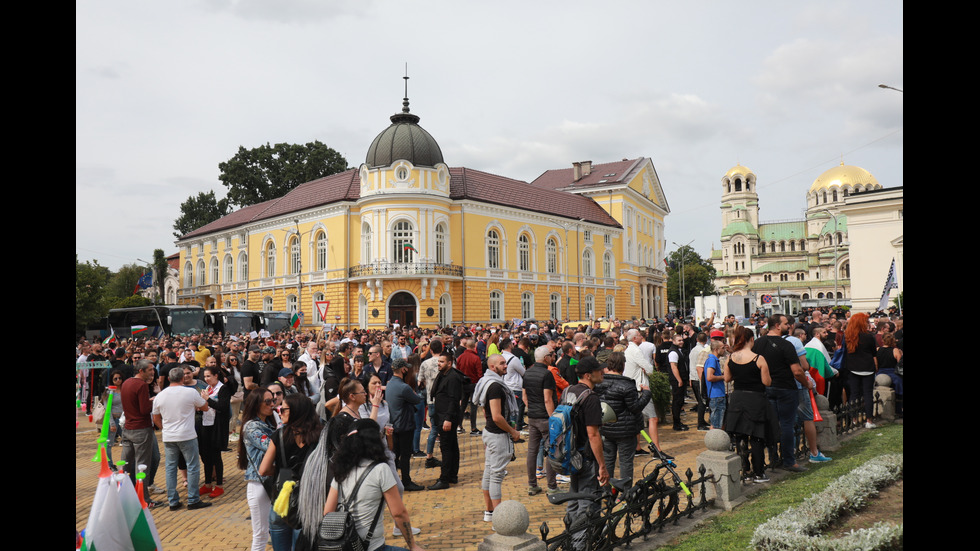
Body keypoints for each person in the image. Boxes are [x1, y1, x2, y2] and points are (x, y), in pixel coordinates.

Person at [324, 418, 425, 551]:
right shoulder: (381, 469)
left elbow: (327, 513)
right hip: (372, 546)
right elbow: (399, 513)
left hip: (344, 546)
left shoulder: (342, 470)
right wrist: (412, 545)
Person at [260, 393, 324, 550]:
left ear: (296, 411)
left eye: (283, 409)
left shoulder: (279, 435)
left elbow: (264, 469)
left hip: (282, 499)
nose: (279, 412)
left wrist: (283, 471)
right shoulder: (320, 436)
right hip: (308, 501)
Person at [564, 356, 609, 550]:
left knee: (573, 499)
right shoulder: (590, 398)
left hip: (569, 455)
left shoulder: (568, 391)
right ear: (588, 375)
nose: (603, 372)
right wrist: (602, 465)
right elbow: (593, 435)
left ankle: (570, 540)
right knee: (588, 503)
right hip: (585, 457)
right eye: (599, 370)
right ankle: (582, 545)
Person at [753, 315, 809, 472]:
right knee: (786, 425)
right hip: (785, 388)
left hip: (766, 387)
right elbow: (797, 371)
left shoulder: (758, 344)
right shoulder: (786, 344)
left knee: (772, 424)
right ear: (777, 326)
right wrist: (807, 384)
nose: (789, 326)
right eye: (786, 324)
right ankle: (789, 461)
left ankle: (773, 458)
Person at [152, 367, 211, 511]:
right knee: (192, 467)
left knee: (170, 468)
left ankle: (173, 501)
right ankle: (193, 499)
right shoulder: (190, 392)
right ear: (182, 378)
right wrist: (204, 400)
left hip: (169, 436)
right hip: (187, 435)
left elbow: (155, 417)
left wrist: (164, 429)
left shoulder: (161, 395)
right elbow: (205, 407)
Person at [724, 326, 776, 483]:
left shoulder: (730, 358)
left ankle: (744, 469)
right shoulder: (758, 358)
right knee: (757, 436)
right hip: (755, 399)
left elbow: (727, 378)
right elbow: (766, 382)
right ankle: (758, 472)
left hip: (738, 398)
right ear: (751, 339)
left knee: (740, 436)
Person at [473, 353, 522, 522]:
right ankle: (499, 519)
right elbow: (496, 416)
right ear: (493, 367)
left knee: (489, 472)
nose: (506, 366)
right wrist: (513, 431)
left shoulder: (488, 382)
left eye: (505, 363)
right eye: (502, 364)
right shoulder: (495, 386)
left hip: (490, 433)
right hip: (497, 435)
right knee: (496, 475)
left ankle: (489, 512)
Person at [595, 351, 649, 487]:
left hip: (606, 427)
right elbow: (635, 407)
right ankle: (625, 493)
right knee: (625, 462)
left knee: (608, 461)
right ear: (623, 366)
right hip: (625, 430)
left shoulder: (599, 383)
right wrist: (646, 394)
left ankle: (606, 492)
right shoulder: (626, 385)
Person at [238, 388, 277, 551]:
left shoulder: (268, 422)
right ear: (256, 404)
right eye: (267, 401)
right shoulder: (251, 427)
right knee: (260, 534)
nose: (272, 404)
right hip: (259, 484)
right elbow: (270, 446)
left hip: (272, 481)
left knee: (273, 531)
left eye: (273, 400)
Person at [120, 359, 162, 506]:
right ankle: (144, 499)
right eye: (150, 370)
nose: (152, 372)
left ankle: (121, 495)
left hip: (128, 427)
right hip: (141, 428)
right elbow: (144, 409)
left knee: (125, 464)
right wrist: (155, 400)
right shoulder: (141, 385)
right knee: (142, 465)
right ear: (141, 371)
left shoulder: (126, 383)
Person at [386, 358, 425, 492]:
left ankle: (395, 480)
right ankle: (406, 481)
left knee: (395, 455)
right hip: (404, 425)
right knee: (405, 455)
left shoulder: (390, 384)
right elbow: (417, 399)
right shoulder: (404, 387)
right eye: (406, 368)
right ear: (403, 369)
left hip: (394, 425)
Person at [523, 346, 557, 496]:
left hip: (532, 417)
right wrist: (553, 418)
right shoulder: (547, 374)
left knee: (532, 451)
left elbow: (525, 397)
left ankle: (532, 485)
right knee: (551, 450)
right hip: (545, 417)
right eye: (551, 355)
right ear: (545, 358)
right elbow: (547, 399)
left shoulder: (527, 372)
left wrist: (531, 409)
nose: (552, 357)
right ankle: (552, 486)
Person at [428, 350, 463, 490]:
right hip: (441, 415)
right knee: (452, 446)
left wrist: (448, 418)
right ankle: (452, 475)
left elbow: (454, 400)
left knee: (447, 448)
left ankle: (444, 479)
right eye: (438, 361)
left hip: (447, 417)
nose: (439, 364)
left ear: (449, 363)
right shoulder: (443, 374)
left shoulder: (453, 377)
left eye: (442, 362)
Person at [200, 365, 232, 498]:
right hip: (206, 423)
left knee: (216, 456)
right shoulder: (208, 388)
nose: (206, 379)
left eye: (209, 376)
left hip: (218, 426)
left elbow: (223, 407)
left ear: (216, 376)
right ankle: (207, 484)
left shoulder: (223, 388)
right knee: (206, 456)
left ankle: (219, 485)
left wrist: (208, 400)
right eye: (205, 376)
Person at [843, 312, 879, 429]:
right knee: (867, 393)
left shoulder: (847, 336)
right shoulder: (868, 336)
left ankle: (853, 419)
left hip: (853, 367)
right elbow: (874, 353)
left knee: (854, 394)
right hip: (867, 367)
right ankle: (869, 420)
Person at [876, 333, 903, 417]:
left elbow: (876, 364)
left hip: (880, 372)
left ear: (882, 340)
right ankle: (899, 408)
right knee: (900, 385)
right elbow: (899, 363)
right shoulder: (895, 350)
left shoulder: (878, 349)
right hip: (892, 372)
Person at [702, 341, 727, 430]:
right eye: (722, 348)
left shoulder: (712, 360)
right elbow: (709, 377)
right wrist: (723, 377)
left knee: (715, 422)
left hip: (716, 395)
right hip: (716, 395)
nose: (724, 350)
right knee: (716, 424)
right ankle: (714, 442)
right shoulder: (712, 360)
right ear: (716, 349)